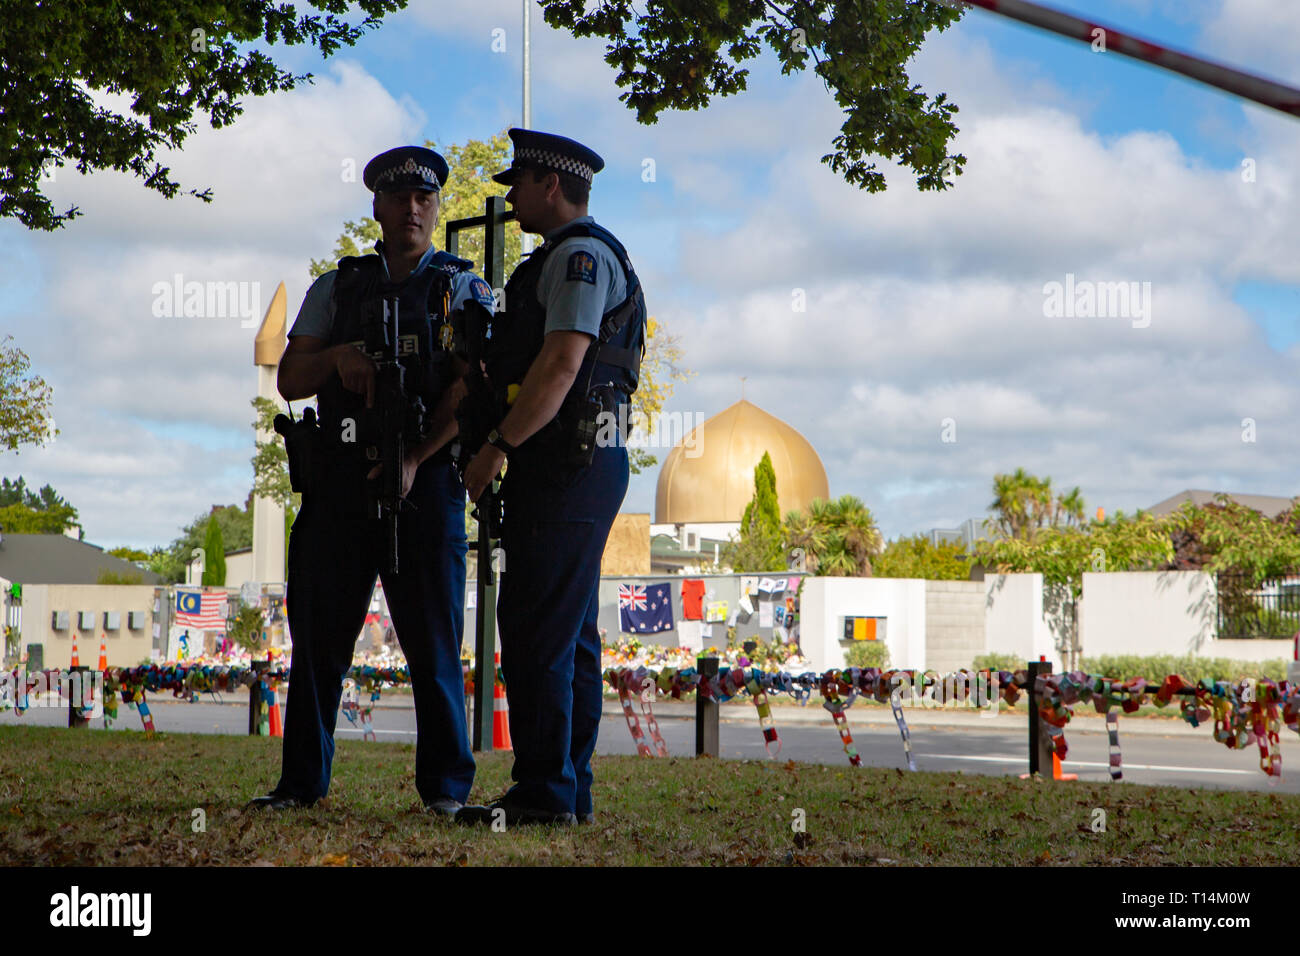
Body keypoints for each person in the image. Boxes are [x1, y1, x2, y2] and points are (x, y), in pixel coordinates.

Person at [246, 146, 494, 816]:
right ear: (377, 208)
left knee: (435, 646)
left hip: (427, 486)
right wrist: (338, 356)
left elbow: (474, 388)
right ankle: (301, 785)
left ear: (436, 208)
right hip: (340, 488)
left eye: (425, 200)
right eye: (399, 199)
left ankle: (445, 792)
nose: (412, 210)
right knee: (320, 644)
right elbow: (292, 380)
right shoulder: (339, 287)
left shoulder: (462, 289)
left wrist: (416, 456)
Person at [458, 129, 647, 827]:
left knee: (538, 626)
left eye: (520, 182)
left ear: (551, 184)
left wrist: (497, 448)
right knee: (566, 634)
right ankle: (566, 791)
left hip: (569, 462)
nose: (510, 196)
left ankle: (544, 794)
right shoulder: (558, 260)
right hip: (570, 462)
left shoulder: (579, 258)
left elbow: (563, 365)